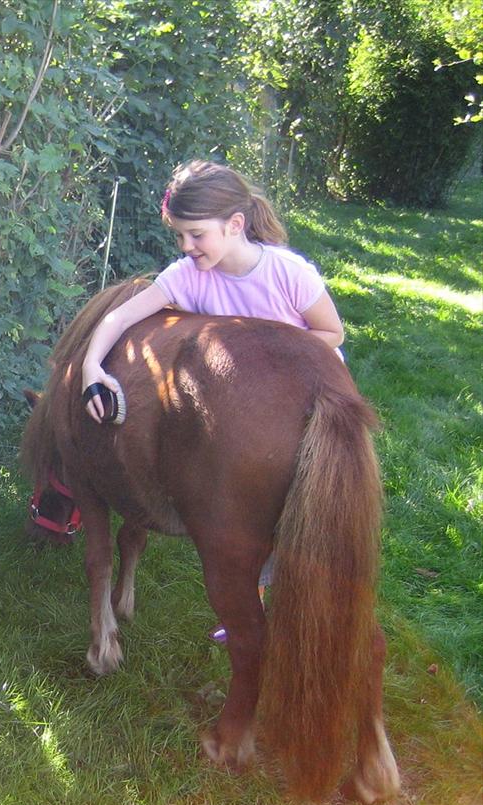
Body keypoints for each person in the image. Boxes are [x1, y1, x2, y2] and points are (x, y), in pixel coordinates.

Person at [80, 159, 346, 642]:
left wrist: (269, 354)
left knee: (301, 515)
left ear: (235, 225)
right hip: (242, 413)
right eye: (180, 235)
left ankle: (297, 602)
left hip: (312, 404)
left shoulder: (288, 272)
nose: (186, 246)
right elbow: (118, 319)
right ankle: (251, 606)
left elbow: (332, 331)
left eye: (196, 234)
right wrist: (90, 367)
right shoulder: (190, 276)